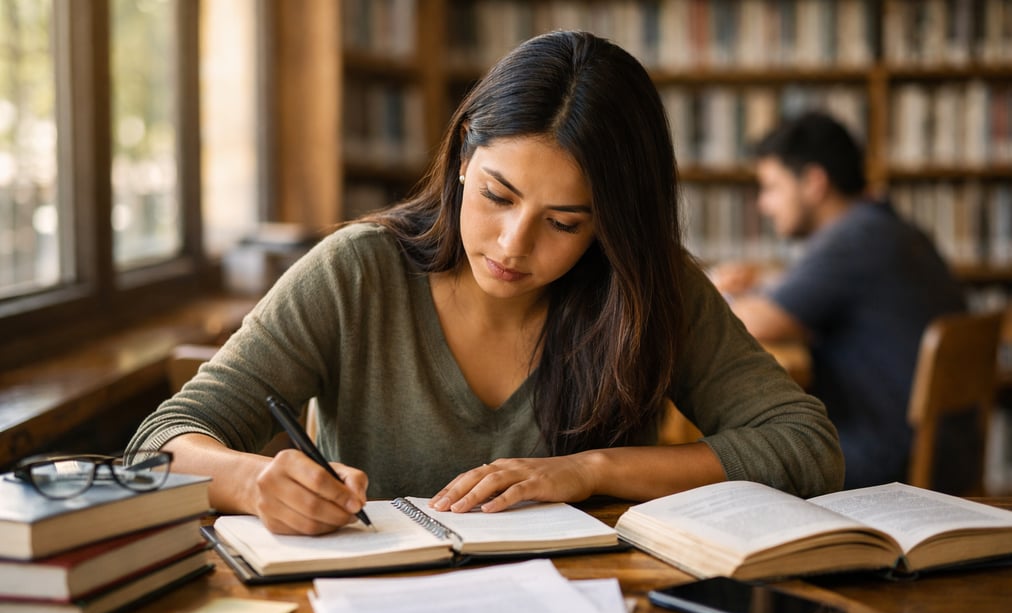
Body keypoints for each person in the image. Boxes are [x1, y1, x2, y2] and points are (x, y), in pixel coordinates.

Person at [128, 31, 842, 535]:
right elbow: (158, 443)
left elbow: (807, 444)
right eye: (499, 196)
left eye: (564, 223)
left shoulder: (650, 286)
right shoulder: (357, 272)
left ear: (611, 227)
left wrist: (590, 470)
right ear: (466, 150)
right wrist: (253, 483)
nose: (511, 245)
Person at [711, 111, 966, 489]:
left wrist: (713, 290)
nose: (764, 204)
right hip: (939, 451)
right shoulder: (887, 228)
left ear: (814, 182)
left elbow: (761, 321)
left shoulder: (852, 240)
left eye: (771, 187)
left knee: (739, 458)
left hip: (883, 456)